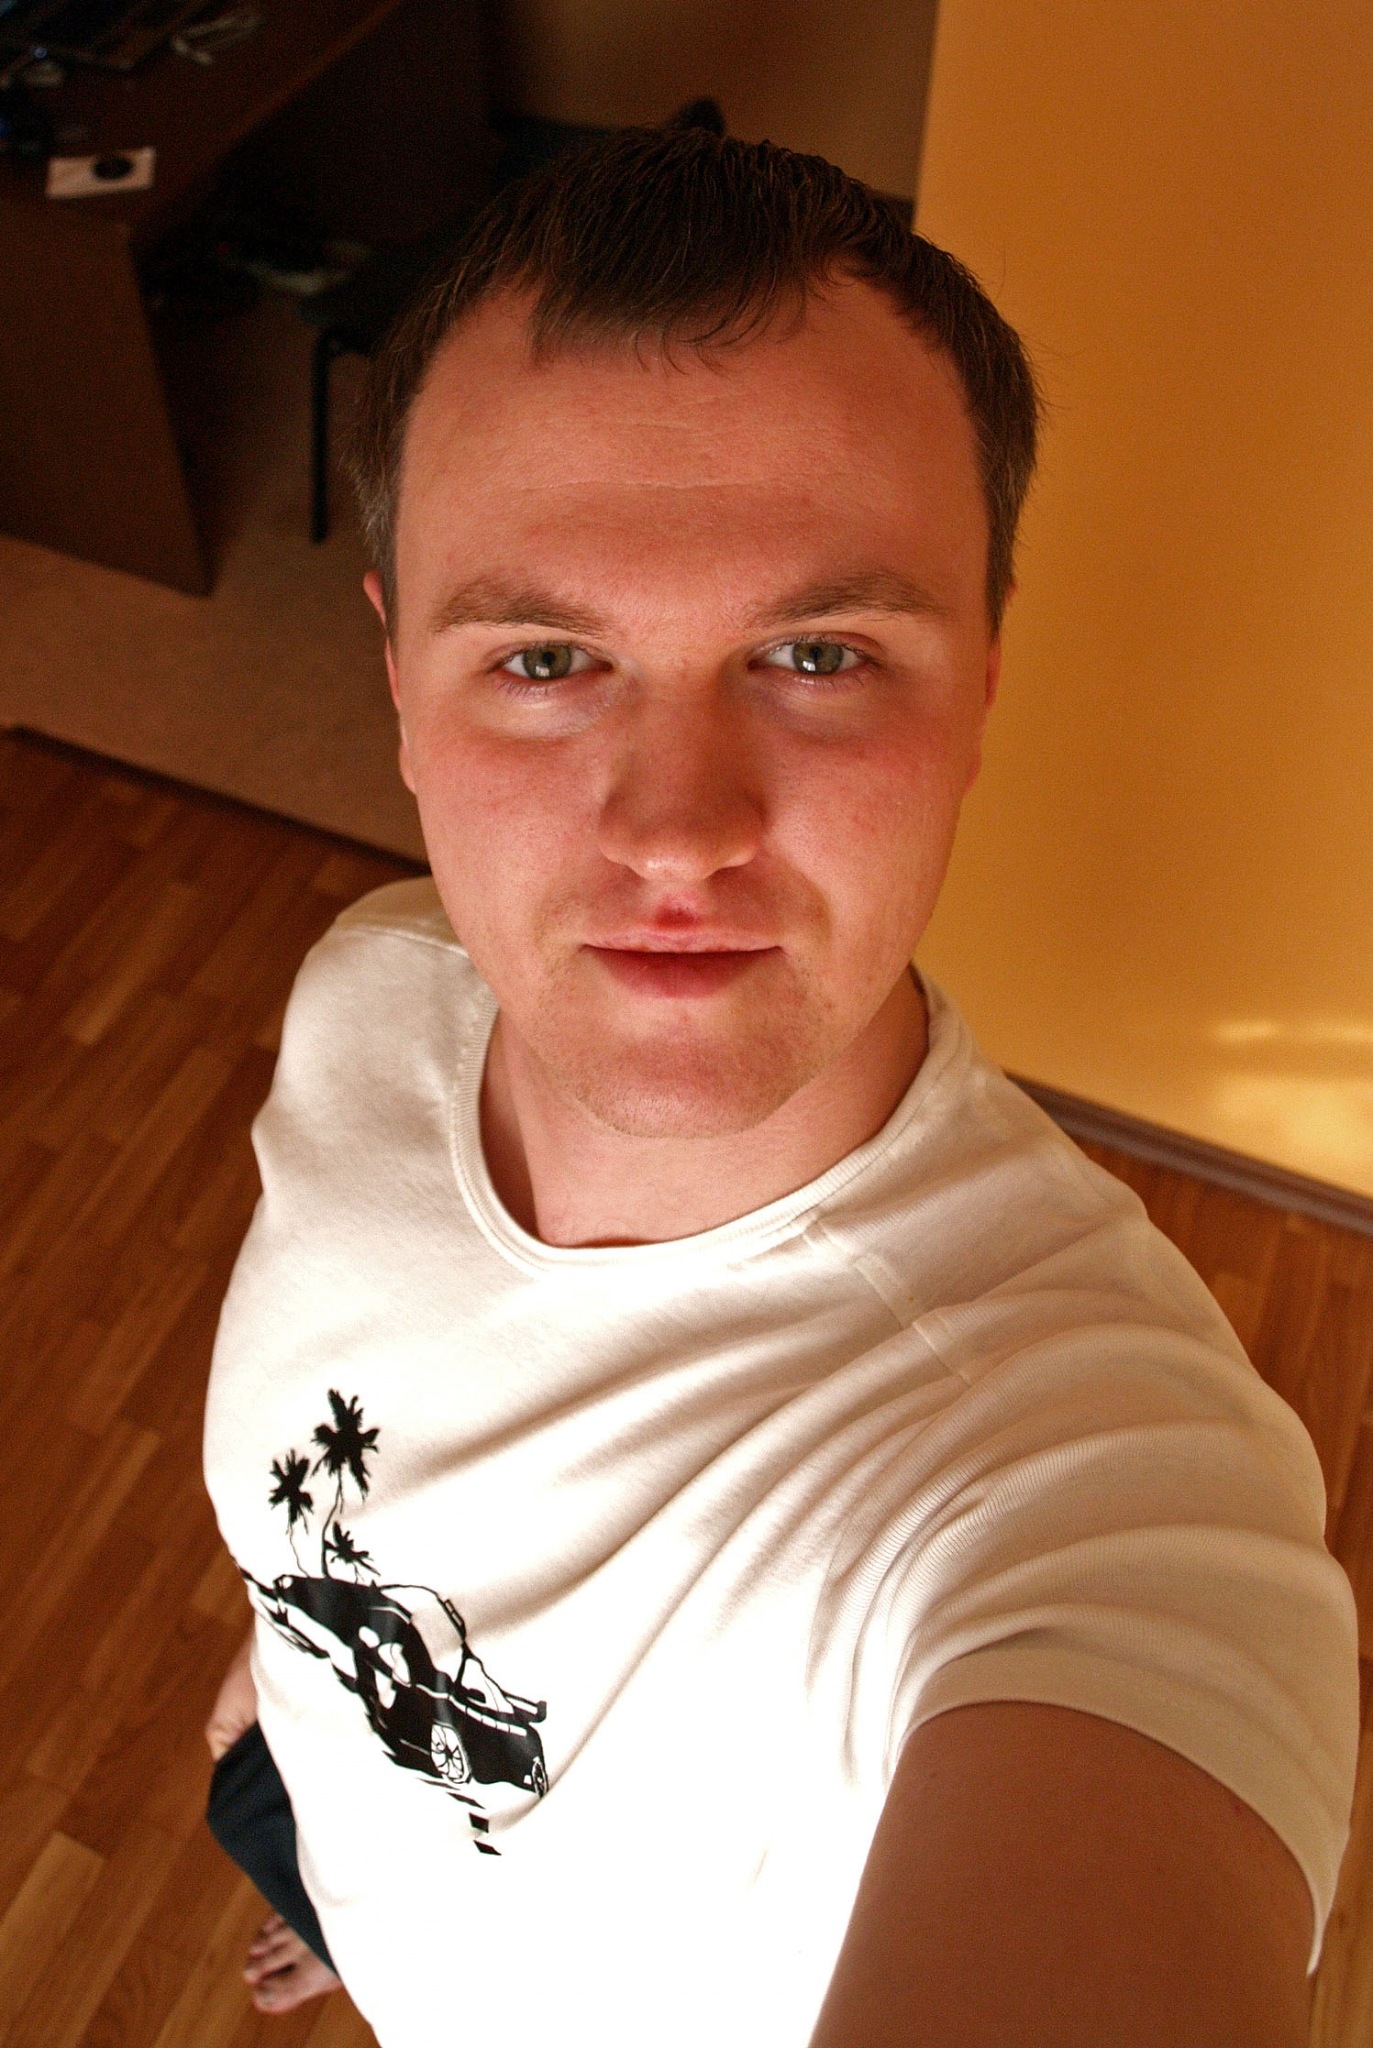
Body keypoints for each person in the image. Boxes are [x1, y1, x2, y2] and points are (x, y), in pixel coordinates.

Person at [201, 126, 1359, 2046]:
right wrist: (290, 1670)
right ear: (401, 679)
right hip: (321, 1786)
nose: (676, 833)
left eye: (816, 653)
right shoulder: (371, 992)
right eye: (545, 659)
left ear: (979, 684)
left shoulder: (1089, 1490)